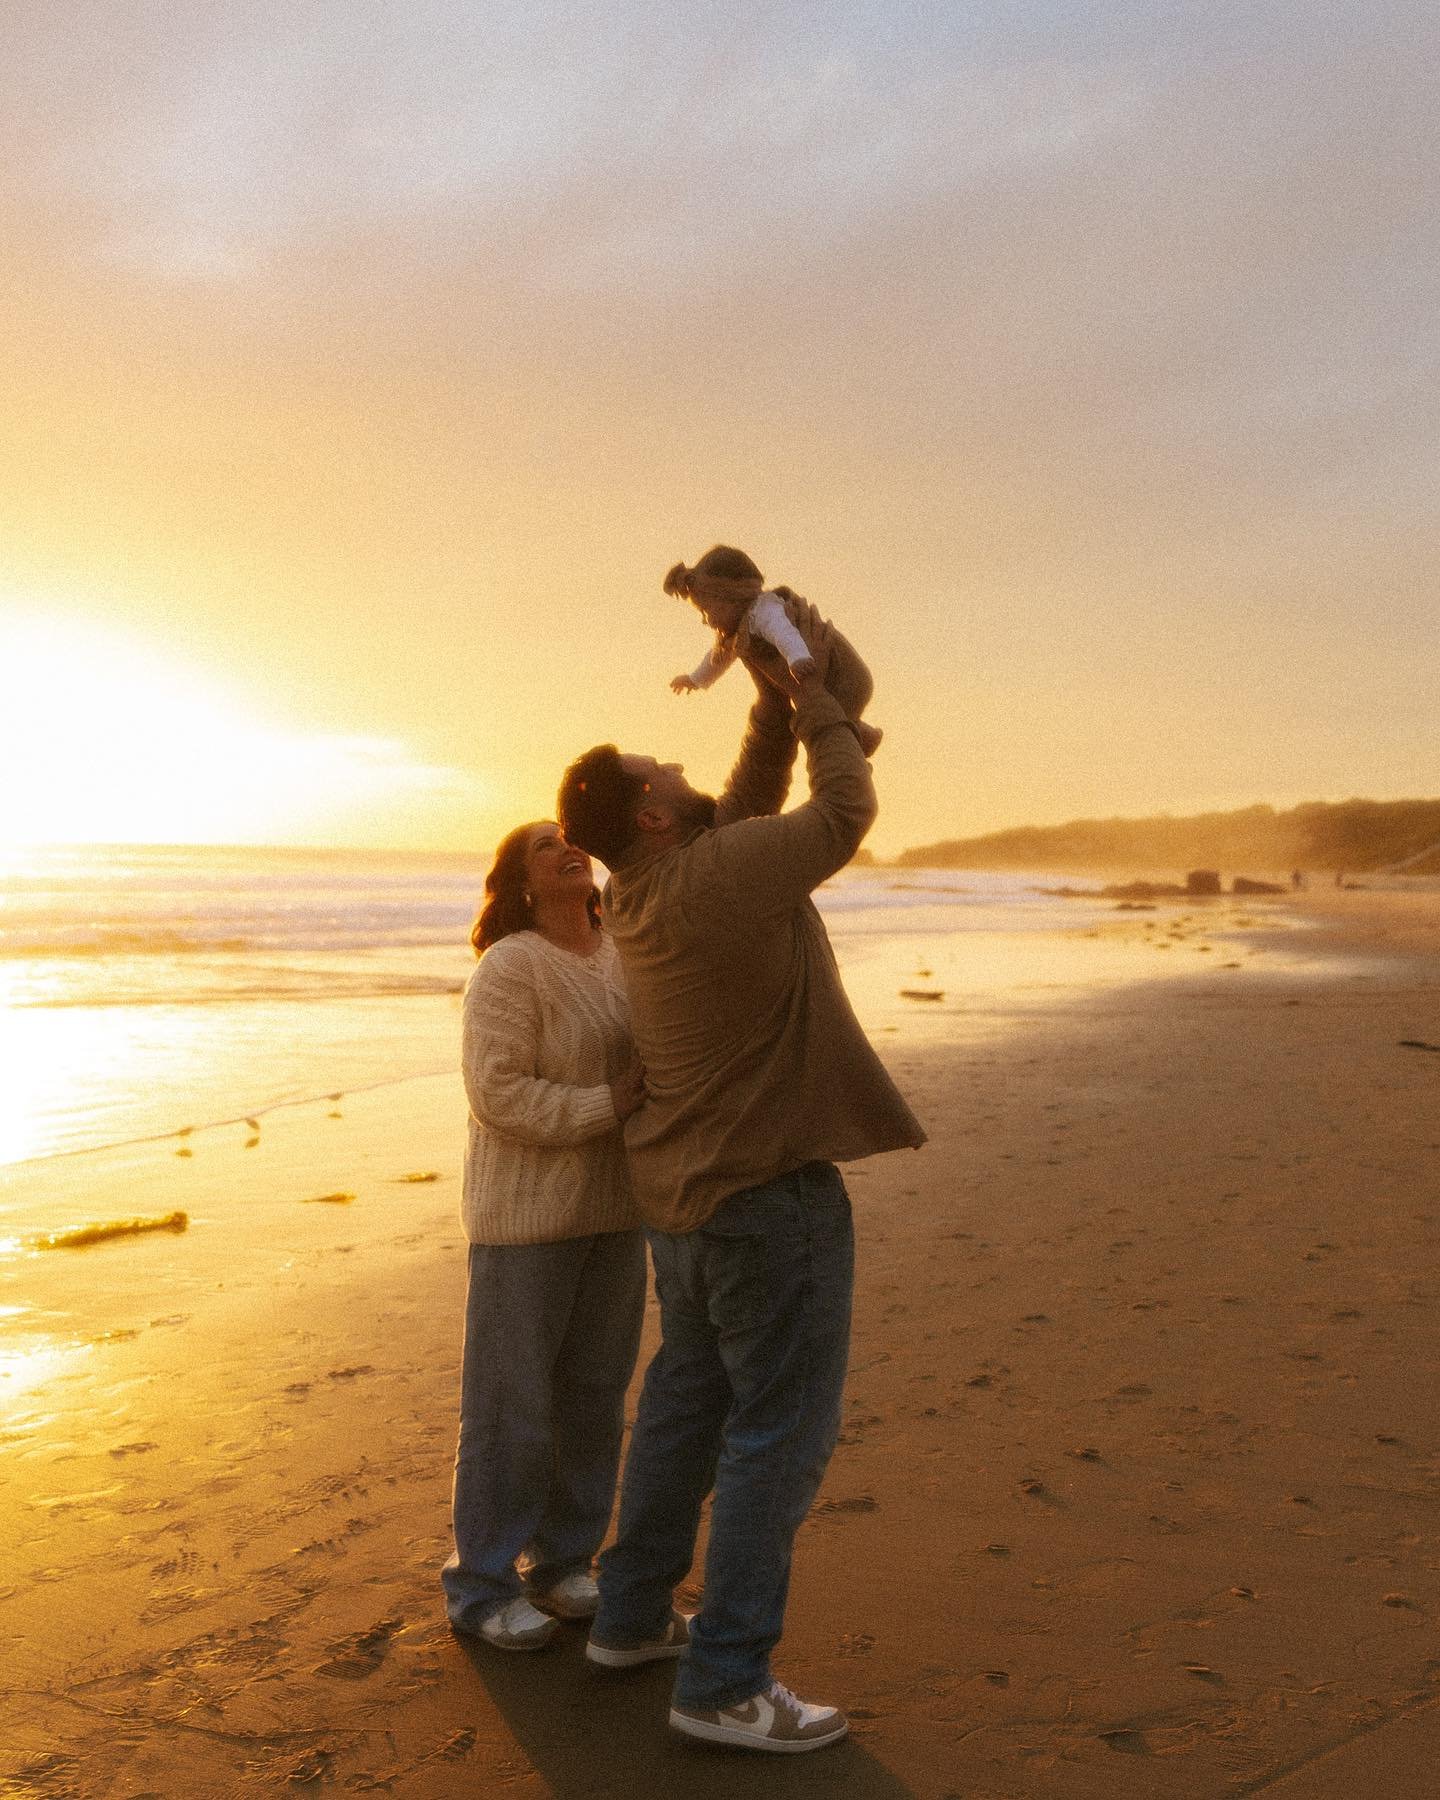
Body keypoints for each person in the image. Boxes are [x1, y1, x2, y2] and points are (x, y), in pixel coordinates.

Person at [556, 638, 924, 1752]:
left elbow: (746, 805)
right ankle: (721, 1684)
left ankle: (627, 1619)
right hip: (767, 1198)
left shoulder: (650, 884)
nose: (671, 760)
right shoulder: (717, 876)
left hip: (687, 1199)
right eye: (655, 768)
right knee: (779, 1433)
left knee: (687, 1403)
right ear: (655, 817)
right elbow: (838, 816)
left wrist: (770, 703)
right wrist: (815, 703)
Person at [441, 821, 647, 1651]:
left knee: (593, 1401)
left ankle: (563, 1564)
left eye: (570, 838)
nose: (566, 847)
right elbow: (498, 1094)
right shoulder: (509, 967)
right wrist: (609, 1106)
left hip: (617, 1214)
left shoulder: (623, 950)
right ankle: (481, 1586)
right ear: (522, 884)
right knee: (510, 1409)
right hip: (524, 1224)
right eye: (541, 846)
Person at [665, 544, 883, 756]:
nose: (705, 620)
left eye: (706, 610)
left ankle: (860, 736)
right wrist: (695, 679)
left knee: (825, 718)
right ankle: (863, 735)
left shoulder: (763, 611)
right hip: (828, 683)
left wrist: (796, 658)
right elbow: (717, 660)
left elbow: (784, 632)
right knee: (831, 718)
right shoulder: (739, 630)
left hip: (845, 678)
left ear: (732, 596)